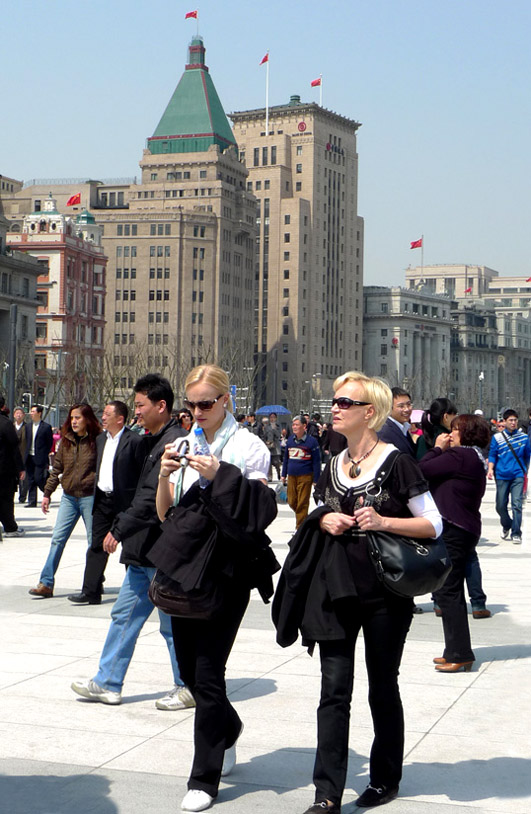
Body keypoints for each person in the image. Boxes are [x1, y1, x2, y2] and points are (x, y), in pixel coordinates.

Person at [273, 372, 442, 812]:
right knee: (333, 691)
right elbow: (318, 509)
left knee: (382, 687)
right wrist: (322, 518)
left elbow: (434, 524)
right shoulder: (330, 461)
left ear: (370, 412)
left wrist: (384, 521)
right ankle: (326, 794)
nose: (335, 408)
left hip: (385, 594)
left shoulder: (396, 461)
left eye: (345, 402)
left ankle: (385, 779)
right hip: (335, 593)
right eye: (335, 401)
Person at [153, 364, 277, 812]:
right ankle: (228, 728)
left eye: (207, 403)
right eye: (192, 404)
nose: (199, 411)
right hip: (185, 568)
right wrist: (167, 475)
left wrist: (218, 476)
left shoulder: (248, 446)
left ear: (227, 400)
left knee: (208, 673)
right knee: (190, 674)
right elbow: (166, 515)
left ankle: (204, 778)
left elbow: (257, 515)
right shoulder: (185, 443)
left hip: (227, 570)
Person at [71, 374, 190, 709]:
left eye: (141, 405)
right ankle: (108, 682)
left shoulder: (175, 441)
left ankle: (187, 684)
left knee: (171, 624)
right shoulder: (148, 439)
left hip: (161, 549)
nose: (137, 411)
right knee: (124, 616)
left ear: (161, 405)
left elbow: (153, 498)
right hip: (142, 551)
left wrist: (118, 529)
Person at [419, 414, 491, 672]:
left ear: (466, 433)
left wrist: (437, 447)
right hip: (464, 528)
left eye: (455, 430)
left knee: (448, 590)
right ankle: (454, 650)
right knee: (451, 591)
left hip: (455, 529)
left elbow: (422, 469)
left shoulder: (461, 456)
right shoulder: (474, 456)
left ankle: (460, 653)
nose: (451, 434)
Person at [67, 400, 145, 605]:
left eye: (108, 414)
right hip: (102, 500)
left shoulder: (135, 441)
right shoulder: (101, 440)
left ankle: (137, 594)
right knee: (96, 546)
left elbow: (141, 475)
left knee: (130, 549)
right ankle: (91, 591)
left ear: (120, 418)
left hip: (125, 503)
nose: (103, 417)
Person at [28, 404, 101, 597]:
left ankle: (95, 581)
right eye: (72, 418)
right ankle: (46, 583)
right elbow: (57, 469)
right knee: (57, 539)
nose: (74, 421)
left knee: (93, 542)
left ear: (87, 419)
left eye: (78, 417)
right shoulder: (66, 441)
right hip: (69, 497)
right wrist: (47, 493)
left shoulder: (97, 441)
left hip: (89, 497)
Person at [488, 409, 531, 544]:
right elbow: (492, 455)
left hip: (518, 475)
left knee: (517, 504)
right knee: (500, 505)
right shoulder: (497, 438)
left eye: (515, 420)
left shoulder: (523, 438)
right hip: (501, 475)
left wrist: (524, 470)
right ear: (504, 422)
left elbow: (527, 455)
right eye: (510, 420)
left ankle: (516, 532)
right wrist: (490, 469)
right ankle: (507, 524)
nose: (513, 423)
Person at [281, 416, 321, 529]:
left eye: (297, 424)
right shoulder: (290, 441)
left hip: (306, 475)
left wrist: (316, 479)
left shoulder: (312, 442)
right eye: (293, 425)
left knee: (303, 502)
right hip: (292, 475)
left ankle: (299, 528)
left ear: (304, 426)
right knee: (291, 501)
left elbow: (317, 461)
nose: (294, 427)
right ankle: (304, 519)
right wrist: (283, 474)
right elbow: (286, 459)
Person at [0, 396, 25, 538]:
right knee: (6, 499)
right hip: (4, 470)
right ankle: (10, 527)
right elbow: (14, 448)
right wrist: (20, 468)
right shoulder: (5, 424)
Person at [24, 404, 53, 507]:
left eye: (33, 411)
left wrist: (44, 454)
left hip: (40, 457)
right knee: (31, 479)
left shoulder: (46, 427)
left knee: (38, 478)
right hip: (29, 456)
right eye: (31, 411)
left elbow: (49, 442)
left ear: (39, 413)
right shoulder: (27, 426)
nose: (31, 413)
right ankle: (32, 501)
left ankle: (47, 493)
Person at [378, 387, 417, 457]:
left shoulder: (403, 427)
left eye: (408, 404)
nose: (407, 409)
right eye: (401, 406)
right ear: (389, 408)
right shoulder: (385, 432)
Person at [13, 406, 28, 504]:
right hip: (12, 456)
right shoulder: (10, 426)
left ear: (23, 415)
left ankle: (22, 496)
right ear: (14, 415)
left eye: (20, 413)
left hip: (24, 455)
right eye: (17, 413)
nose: (18, 415)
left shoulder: (26, 427)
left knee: (24, 478)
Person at [264, 411, 282, 481]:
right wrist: (266, 442)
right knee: (269, 462)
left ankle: (278, 473)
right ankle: (270, 476)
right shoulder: (266, 426)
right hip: (268, 445)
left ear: (276, 418)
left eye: (274, 417)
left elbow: (278, 435)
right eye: (271, 417)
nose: (272, 419)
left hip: (276, 446)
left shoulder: (278, 426)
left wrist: (274, 429)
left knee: (276, 462)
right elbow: (264, 435)